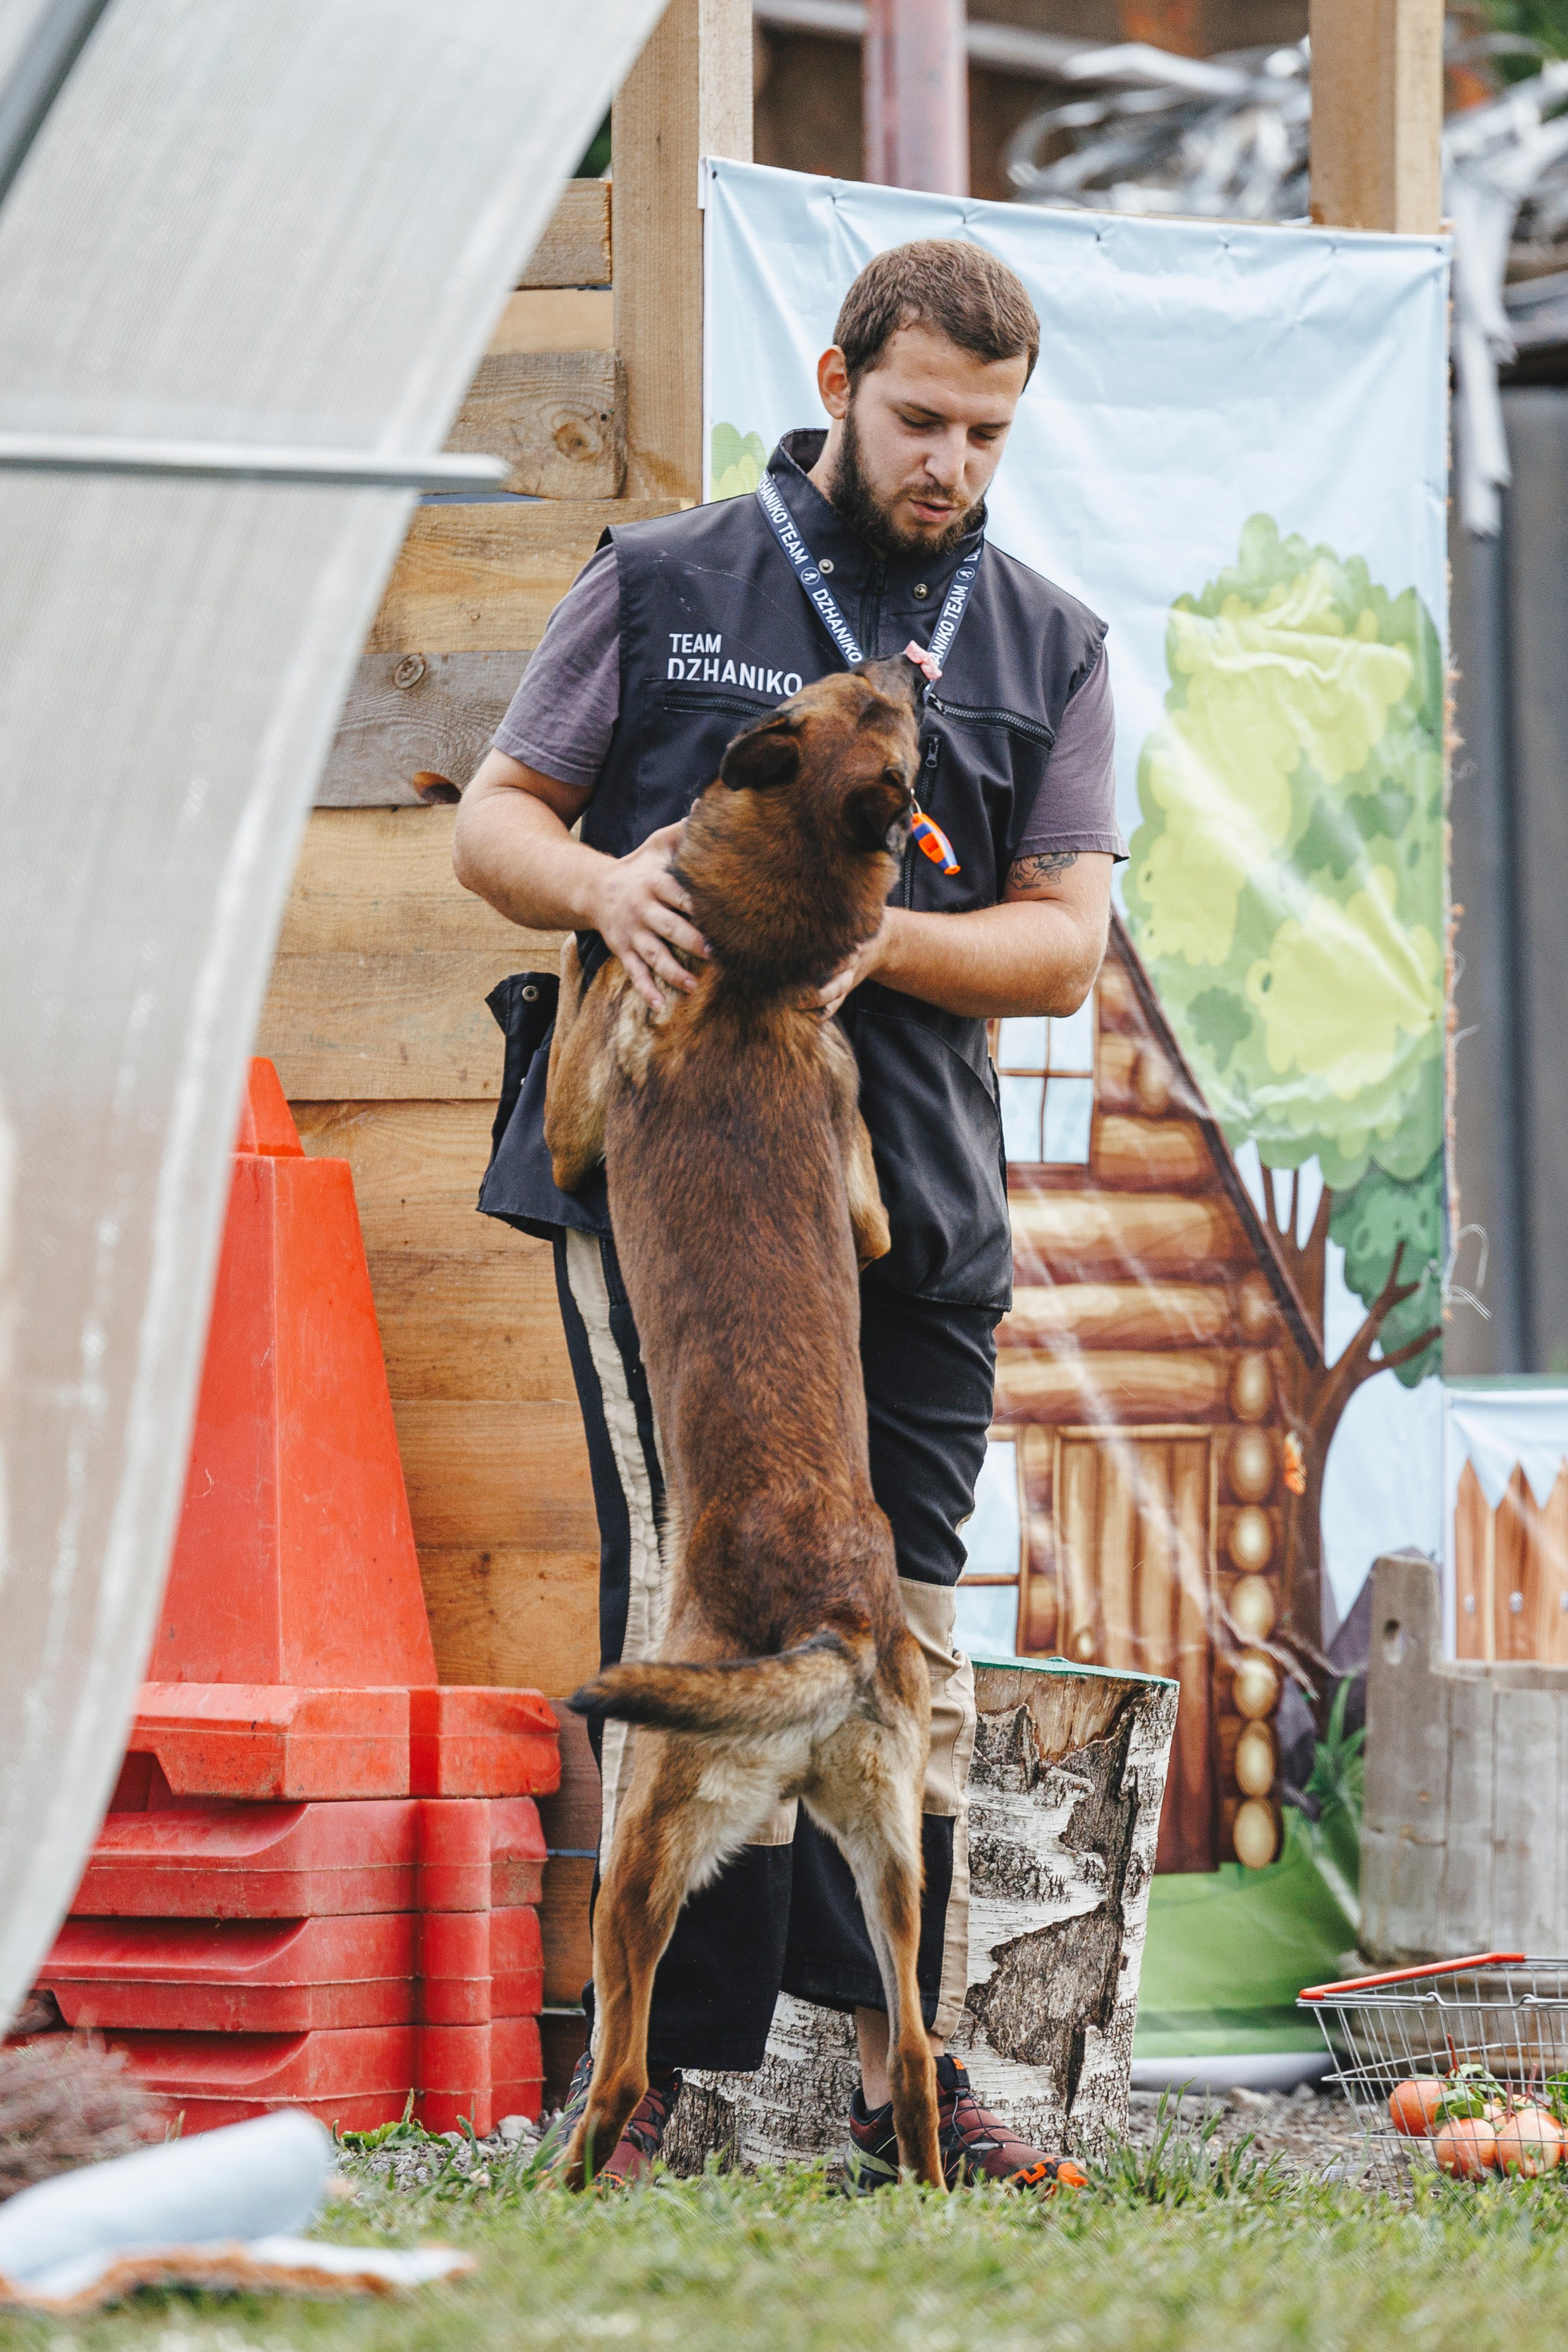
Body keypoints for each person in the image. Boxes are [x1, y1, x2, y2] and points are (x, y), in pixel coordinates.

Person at [453, 238, 1123, 2190]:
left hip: (905, 1199)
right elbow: (499, 815)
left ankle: (895, 2081)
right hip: (673, 1200)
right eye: (922, 420)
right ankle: (646, 2084)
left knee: (897, 1625)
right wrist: (601, 894)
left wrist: (883, 944)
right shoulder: (668, 583)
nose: (954, 467)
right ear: (839, 380)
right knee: (692, 1588)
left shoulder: (1045, 641)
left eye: (990, 434)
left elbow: (1068, 943)